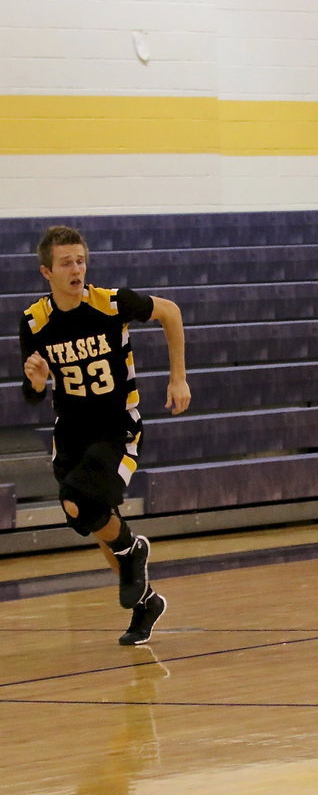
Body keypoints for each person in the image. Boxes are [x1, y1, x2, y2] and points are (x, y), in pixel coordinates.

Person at [19, 226, 191, 645]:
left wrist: (178, 378)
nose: (76, 269)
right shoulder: (34, 321)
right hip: (72, 431)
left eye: (81, 260)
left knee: (82, 503)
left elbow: (170, 312)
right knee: (93, 520)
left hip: (117, 426)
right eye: (66, 263)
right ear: (47, 272)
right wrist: (38, 381)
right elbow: (31, 393)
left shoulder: (113, 303)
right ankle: (144, 599)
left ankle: (135, 555)